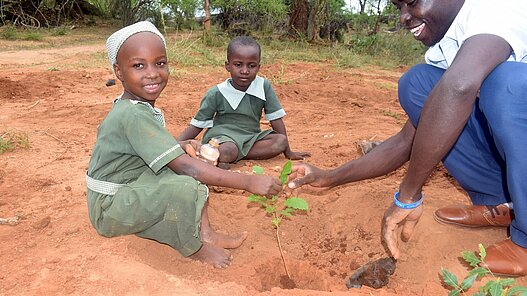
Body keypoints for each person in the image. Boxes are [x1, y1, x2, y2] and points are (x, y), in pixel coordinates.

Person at [288, 0, 527, 276]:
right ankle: (502, 203)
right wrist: (330, 176)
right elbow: (409, 140)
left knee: (507, 86)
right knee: (419, 84)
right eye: (398, 6)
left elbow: (460, 86)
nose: (403, 17)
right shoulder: (448, 48)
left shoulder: (497, 9)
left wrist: (408, 195)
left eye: (412, 2)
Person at [85, 21, 282, 269]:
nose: (152, 73)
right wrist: (249, 182)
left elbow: (155, 147)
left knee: (188, 169)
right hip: (109, 208)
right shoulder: (133, 114)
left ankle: (206, 233)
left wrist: (187, 143)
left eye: (160, 63)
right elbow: (189, 169)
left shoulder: (134, 106)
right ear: (118, 71)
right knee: (187, 183)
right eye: (138, 65)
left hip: (128, 187)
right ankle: (194, 247)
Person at [177, 36, 310, 165]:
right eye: (238, 65)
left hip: (251, 137)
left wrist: (288, 151)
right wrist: (175, 145)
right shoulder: (217, 93)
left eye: (251, 66)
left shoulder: (264, 86)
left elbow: (275, 119)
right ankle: (222, 155)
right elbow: (198, 124)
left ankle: (222, 157)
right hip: (223, 138)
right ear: (227, 66)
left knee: (280, 141)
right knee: (229, 149)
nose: (245, 71)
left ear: (258, 67)